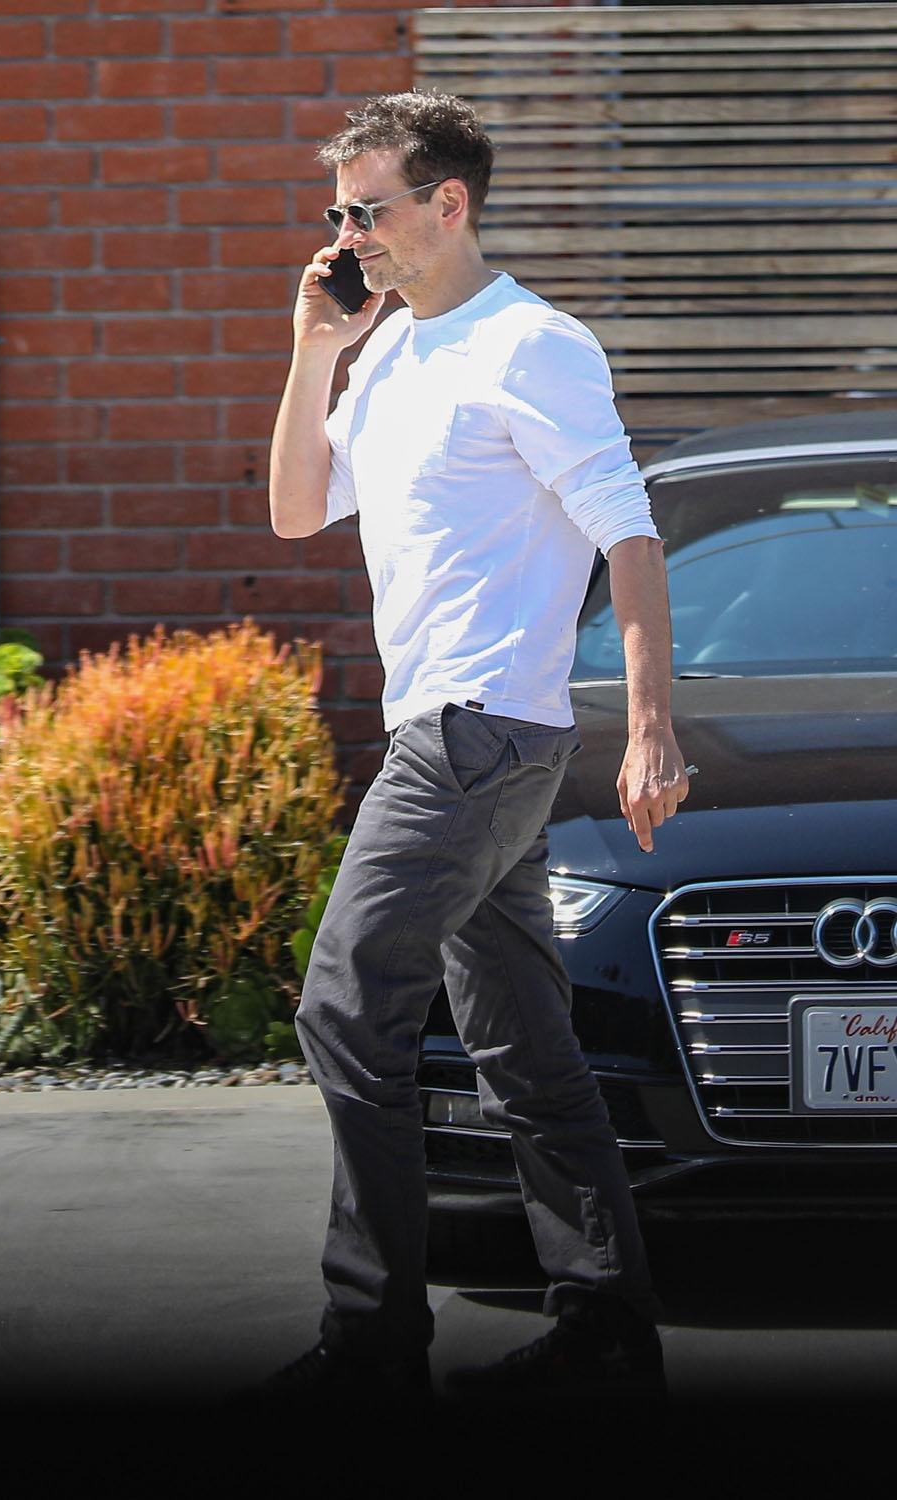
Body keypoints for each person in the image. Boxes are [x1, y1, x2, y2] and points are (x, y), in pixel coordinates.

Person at [266, 90, 689, 1402]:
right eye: (339, 213)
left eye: (369, 212)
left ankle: (372, 1344)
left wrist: (654, 728)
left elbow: (630, 537)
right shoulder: (390, 353)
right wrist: (315, 352)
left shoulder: (533, 345)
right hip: (464, 739)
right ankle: (606, 1327)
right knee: (523, 1042)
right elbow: (294, 512)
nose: (348, 237)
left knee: (347, 1005)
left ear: (448, 204)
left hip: (475, 735)